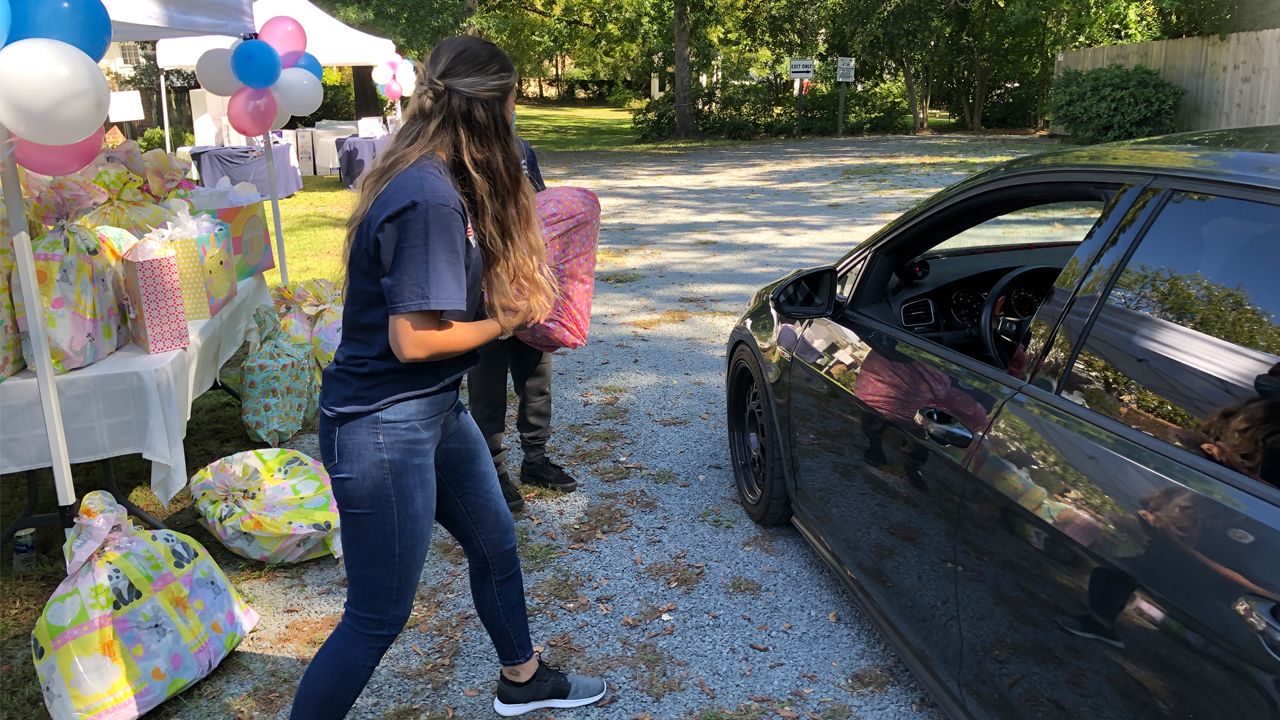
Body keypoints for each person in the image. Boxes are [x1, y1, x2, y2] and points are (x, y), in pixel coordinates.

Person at [290, 37, 606, 719]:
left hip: (432, 410)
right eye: (515, 100)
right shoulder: (427, 197)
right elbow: (413, 339)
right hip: (382, 427)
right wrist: (507, 319)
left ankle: (522, 679)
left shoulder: (435, 176)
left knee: (495, 543)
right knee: (376, 615)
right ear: (493, 105)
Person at [468, 134, 575, 513]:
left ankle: (535, 460)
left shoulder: (519, 147)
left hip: (527, 286)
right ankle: (492, 471)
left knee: (536, 381)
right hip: (482, 297)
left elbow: (543, 208)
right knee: (486, 390)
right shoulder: (463, 149)